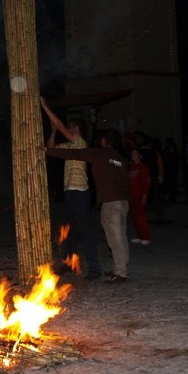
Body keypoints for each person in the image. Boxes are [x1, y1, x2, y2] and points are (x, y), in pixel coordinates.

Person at [42, 128, 130, 284]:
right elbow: (126, 181)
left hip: (111, 204)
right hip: (121, 202)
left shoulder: (100, 154)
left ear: (106, 141)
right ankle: (120, 268)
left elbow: (75, 154)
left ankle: (121, 272)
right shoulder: (120, 159)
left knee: (115, 238)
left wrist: (49, 150)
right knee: (119, 237)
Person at [40, 98, 102, 280]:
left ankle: (95, 268)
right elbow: (50, 149)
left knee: (83, 230)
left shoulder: (80, 142)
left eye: (72, 127)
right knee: (69, 229)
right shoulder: (70, 146)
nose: (70, 129)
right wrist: (52, 131)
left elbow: (61, 128)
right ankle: (69, 264)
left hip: (80, 192)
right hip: (69, 191)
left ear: (78, 130)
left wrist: (45, 106)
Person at [128, 146, 151, 245]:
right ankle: (139, 235)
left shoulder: (143, 168)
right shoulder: (131, 167)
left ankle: (146, 236)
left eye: (136, 154)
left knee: (140, 217)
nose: (133, 156)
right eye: (132, 154)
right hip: (131, 195)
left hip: (140, 195)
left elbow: (147, 183)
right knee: (133, 217)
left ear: (140, 156)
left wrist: (145, 195)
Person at [162, 136, 180, 203]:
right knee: (169, 183)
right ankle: (170, 196)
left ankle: (172, 196)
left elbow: (173, 159)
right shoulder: (167, 149)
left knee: (171, 183)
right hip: (169, 168)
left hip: (171, 169)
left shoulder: (172, 148)